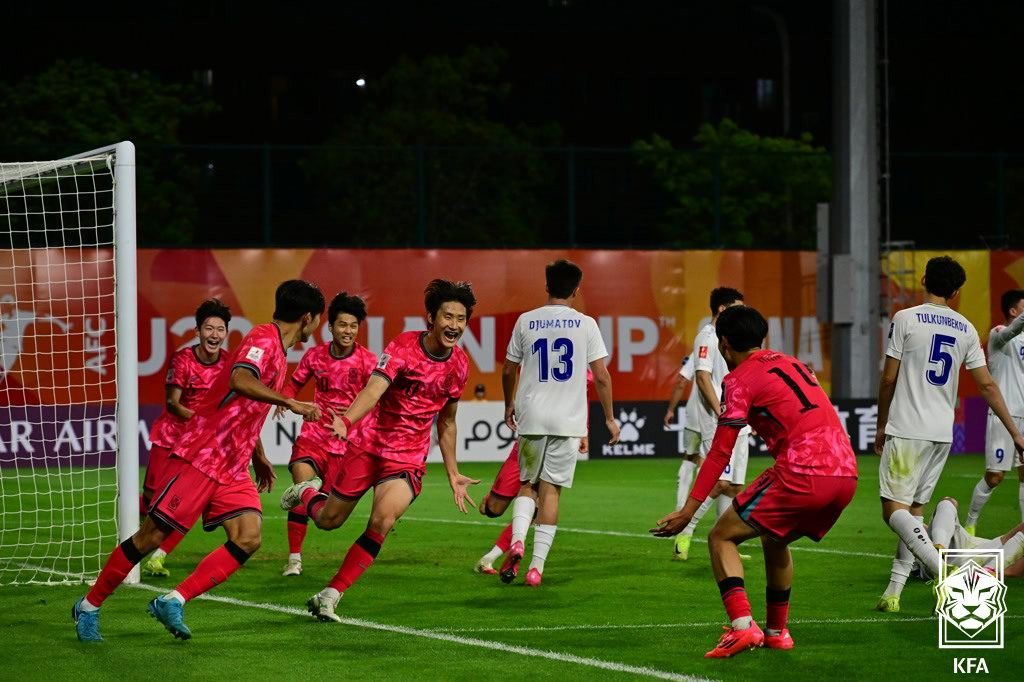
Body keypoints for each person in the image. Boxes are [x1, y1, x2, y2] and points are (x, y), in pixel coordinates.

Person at [72, 280, 325, 642]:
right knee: (151, 536)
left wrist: (260, 456)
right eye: (319, 319)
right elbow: (239, 380)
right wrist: (290, 402)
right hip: (202, 456)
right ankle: (89, 606)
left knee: (248, 537)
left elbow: (243, 411)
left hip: (233, 464)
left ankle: (172, 599)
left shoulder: (279, 351)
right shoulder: (263, 339)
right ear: (308, 317)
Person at [651, 305, 858, 658]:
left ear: (725, 343)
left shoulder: (738, 380)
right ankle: (777, 633)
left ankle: (742, 628)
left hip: (802, 470)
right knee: (774, 537)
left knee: (720, 536)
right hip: (846, 471)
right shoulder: (791, 362)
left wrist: (689, 509)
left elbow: (719, 453)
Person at [279, 279, 481, 622]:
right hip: (370, 445)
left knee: (382, 520)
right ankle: (306, 492)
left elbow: (447, 423)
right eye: (448, 316)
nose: (455, 325)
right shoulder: (403, 346)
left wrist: (453, 473)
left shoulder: (459, 365)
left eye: (461, 319)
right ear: (431, 317)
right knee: (329, 520)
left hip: (407, 459)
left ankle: (331, 594)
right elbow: (374, 390)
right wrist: (347, 420)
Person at [874, 256, 1024, 614]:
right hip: (942, 433)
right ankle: (892, 593)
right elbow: (987, 384)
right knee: (913, 513)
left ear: (923, 279)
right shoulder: (967, 328)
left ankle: (944, 571)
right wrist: (1016, 433)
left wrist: (882, 424)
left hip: (908, 427)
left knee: (893, 510)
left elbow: (889, 378)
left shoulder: (905, 318)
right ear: (957, 291)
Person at [498, 258, 620, 587]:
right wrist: (609, 418)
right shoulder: (586, 324)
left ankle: (518, 540)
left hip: (532, 416)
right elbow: (602, 376)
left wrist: (509, 402)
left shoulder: (526, 320)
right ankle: (536, 567)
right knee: (551, 493)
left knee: (528, 486)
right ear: (577, 290)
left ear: (547, 286)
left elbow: (509, 369)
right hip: (568, 422)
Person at [277, 292, 377, 577]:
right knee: (303, 482)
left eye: (353, 326)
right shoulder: (314, 356)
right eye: (342, 325)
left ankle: (306, 499)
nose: (348, 331)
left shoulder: (369, 362)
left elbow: (379, 399)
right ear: (330, 327)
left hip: (346, 444)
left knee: (326, 513)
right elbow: (293, 385)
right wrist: (285, 402)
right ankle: (294, 558)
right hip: (314, 435)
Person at [140, 299, 232, 578]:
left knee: (190, 501)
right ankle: (140, 537)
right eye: (208, 328)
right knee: (153, 499)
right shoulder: (182, 360)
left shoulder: (230, 363)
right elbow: (172, 403)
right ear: (197, 331)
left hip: (203, 446)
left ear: (226, 333)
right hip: (171, 437)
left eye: (220, 329)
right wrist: (201, 421)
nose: (214, 335)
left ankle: (158, 556)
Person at [474, 370, 592, 575]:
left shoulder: (581, 363)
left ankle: (493, 557)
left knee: (538, 502)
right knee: (493, 508)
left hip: (557, 439)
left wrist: (584, 430)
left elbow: (583, 398)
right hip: (530, 441)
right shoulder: (543, 351)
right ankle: (526, 563)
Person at [671, 288, 752, 562]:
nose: (741, 312)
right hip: (720, 420)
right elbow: (703, 377)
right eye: (737, 307)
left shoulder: (731, 338)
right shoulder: (707, 336)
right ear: (721, 309)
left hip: (739, 418)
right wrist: (721, 412)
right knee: (721, 481)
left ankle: (727, 544)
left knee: (734, 487)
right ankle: (686, 529)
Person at [964, 289, 1024, 533]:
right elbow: (1013, 330)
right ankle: (970, 523)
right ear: (1013, 311)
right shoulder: (1000, 335)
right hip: (1004, 416)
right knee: (995, 477)